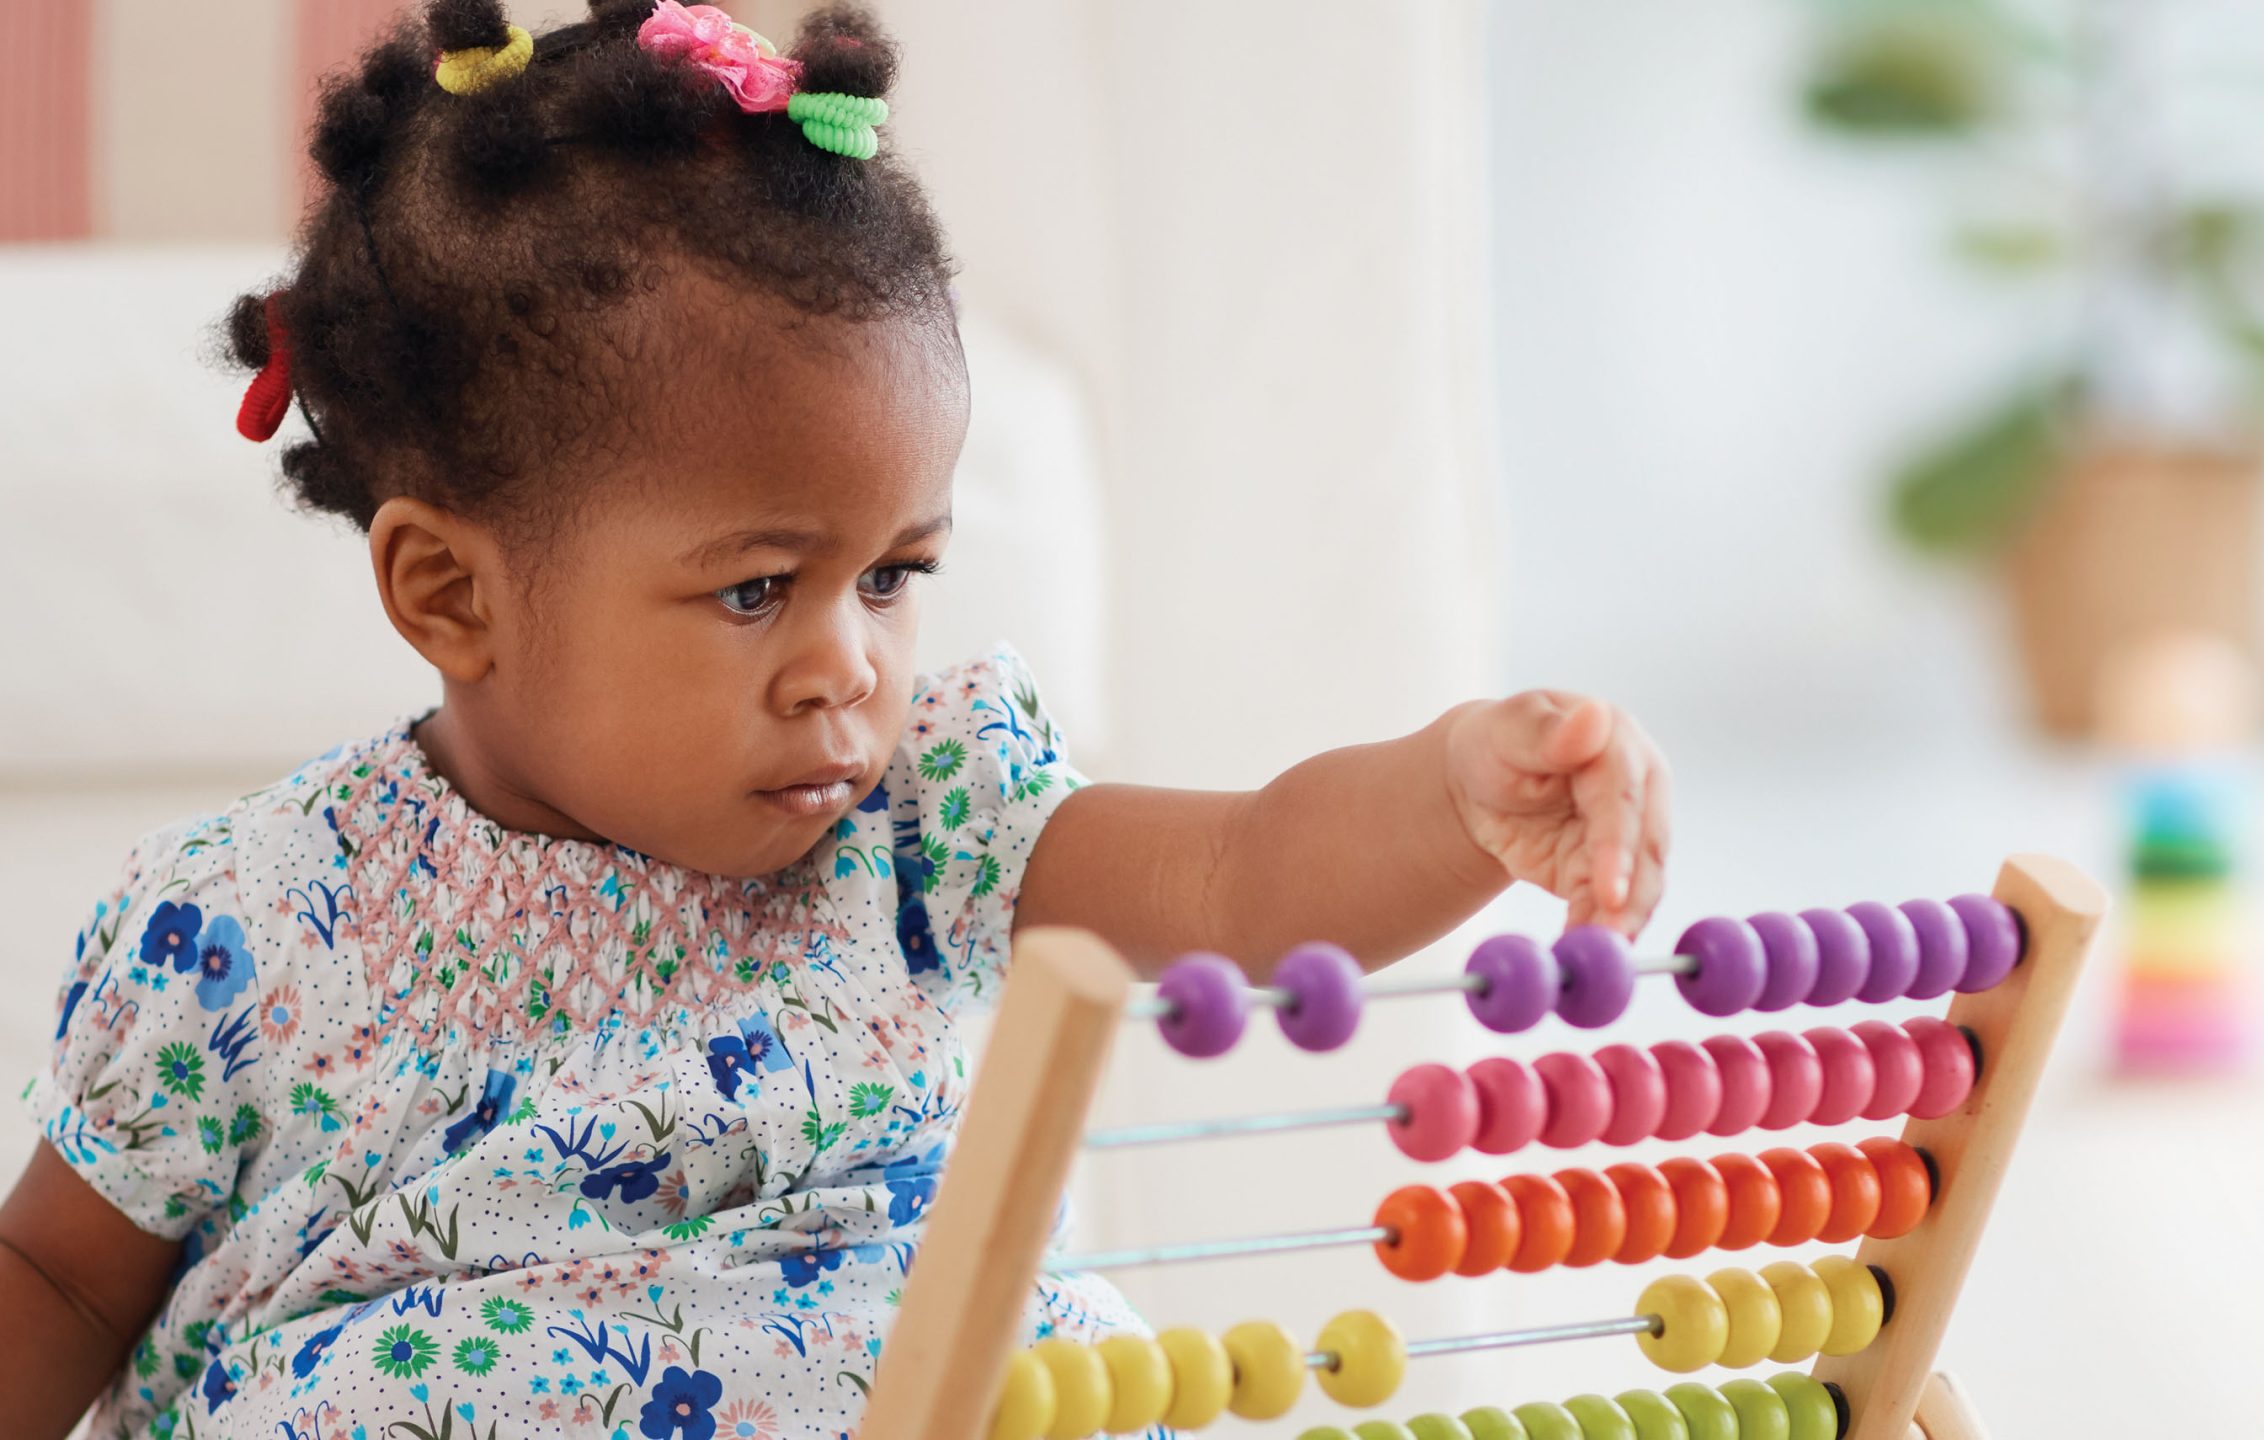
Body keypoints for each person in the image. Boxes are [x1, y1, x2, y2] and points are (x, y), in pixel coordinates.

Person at [0, 3, 1670, 1435]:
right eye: (755, 592)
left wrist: (1454, 797)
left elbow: (1248, 879)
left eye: (892, 576)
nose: (846, 667)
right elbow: (57, 1274)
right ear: (452, 596)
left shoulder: (932, 813)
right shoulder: (240, 928)